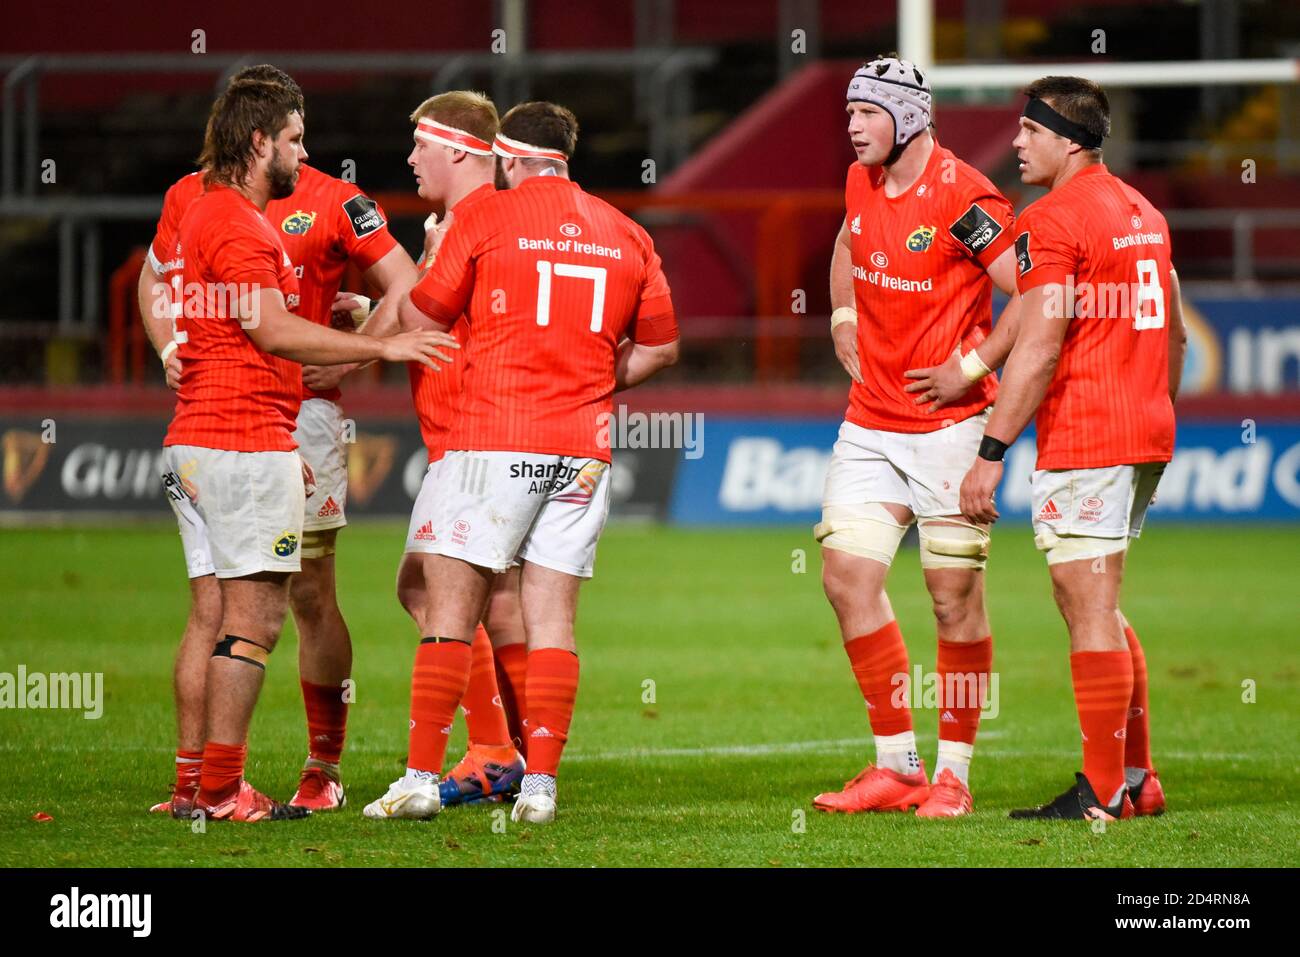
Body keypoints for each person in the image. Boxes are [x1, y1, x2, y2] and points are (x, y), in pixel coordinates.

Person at [364, 101, 679, 824]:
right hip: (584, 451)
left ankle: (419, 775)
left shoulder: (485, 217)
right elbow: (661, 346)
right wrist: (595, 379)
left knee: (447, 604)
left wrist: (436, 253)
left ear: (506, 159)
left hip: (492, 439)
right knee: (552, 618)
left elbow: (423, 318)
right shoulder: (626, 231)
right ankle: (538, 786)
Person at [159, 78, 455, 822]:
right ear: (259, 141)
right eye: (293, 137)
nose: (304, 150)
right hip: (245, 434)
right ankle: (220, 786)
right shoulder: (227, 215)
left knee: (286, 599)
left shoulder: (229, 208)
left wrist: (354, 332)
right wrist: (372, 350)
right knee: (250, 618)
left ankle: (257, 774)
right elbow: (265, 325)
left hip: (238, 428)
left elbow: (395, 283)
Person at [958, 76, 1185, 821]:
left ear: (1067, 139)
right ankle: (1137, 775)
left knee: (1086, 607)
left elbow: (1041, 343)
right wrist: (1156, 405)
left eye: (1029, 131)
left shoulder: (1051, 219)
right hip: (1146, 427)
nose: (1016, 143)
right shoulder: (1144, 213)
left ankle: (1101, 791)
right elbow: (1176, 332)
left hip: (1089, 433)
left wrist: (991, 449)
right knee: (1103, 605)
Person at [812, 56, 1022, 819]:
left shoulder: (967, 195)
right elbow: (844, 246)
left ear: (906, 116)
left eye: (866, 114)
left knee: (951, 597)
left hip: (949, 430)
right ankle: (897, 765)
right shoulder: (858, 180)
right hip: (870, 423)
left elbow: (1032, 292)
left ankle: (955, 775)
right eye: (849, 115)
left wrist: (973, 364)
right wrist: (842, 317)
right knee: (845, 580)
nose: (853, 128)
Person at [347, 90, 528, 815]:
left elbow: (402, 321)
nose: (411, 157)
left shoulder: (472, 221)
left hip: (474, 437)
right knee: (470, 594)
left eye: (421, 144)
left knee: (450, 591)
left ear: (457, 149)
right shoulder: (475, 221)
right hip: (474, 432)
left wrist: (363, 334)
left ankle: (501, 754)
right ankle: (510, 751)